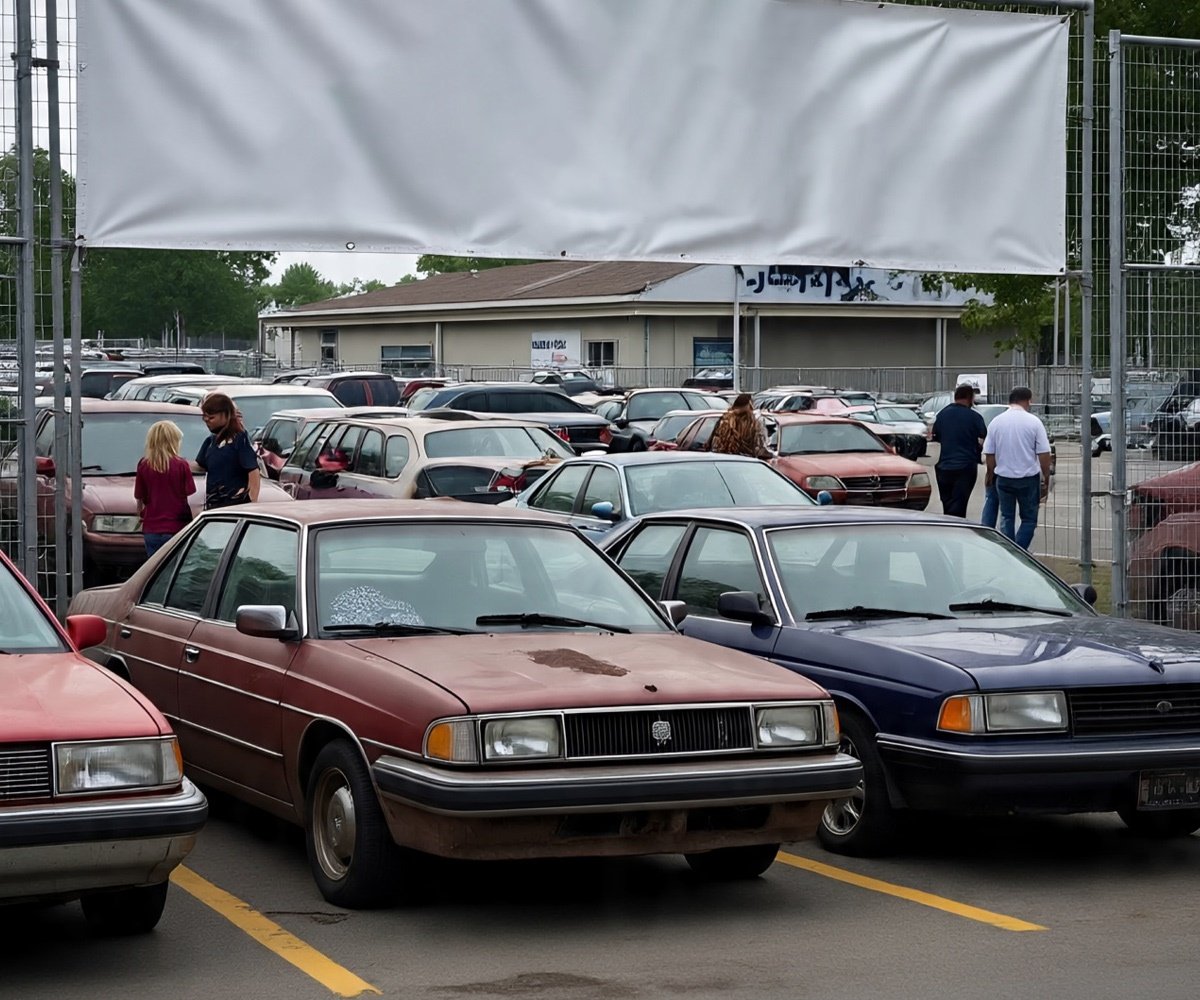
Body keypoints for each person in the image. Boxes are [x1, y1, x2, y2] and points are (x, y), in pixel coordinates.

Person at [982, 386, 1053, 550]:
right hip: (1028, 478)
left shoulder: (996, 422)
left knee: (1007, 517)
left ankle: (1008, 550)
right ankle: (1019, 551)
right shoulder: (1034, 422)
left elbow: (990, 454)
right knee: (1029, 519)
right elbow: (1044, 453)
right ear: (1028, 401)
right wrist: (1046, 477)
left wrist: (990, 474)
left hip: (1004, 477)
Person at [134, 420, 196, 557]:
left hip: (151, 528)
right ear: (174, 441)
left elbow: (139, 495)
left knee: (155, 569)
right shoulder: (181, 465)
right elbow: (190, 491)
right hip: (177, 527)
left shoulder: (144, 465)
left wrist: (141, 514)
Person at [195, 392, 261, 509]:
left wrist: (251, 501)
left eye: (211, 418)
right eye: (204, 417)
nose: (206, 421)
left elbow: (253, 471)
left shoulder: (240, 439)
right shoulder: (211, 441)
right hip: (214, 504)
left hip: (234, 506)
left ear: (226, 415)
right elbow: (200, 466)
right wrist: (175, 463)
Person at [931, 384, 987, 518]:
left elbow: (935, 437)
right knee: (960, 504)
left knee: (947, 503)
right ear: (970, 398)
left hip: (943, 467)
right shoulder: (974, 417)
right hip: (965, 466)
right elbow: (984, 437)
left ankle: (948, 527)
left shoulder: (942, 415)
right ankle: (957, 530)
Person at [709, 393, 774, 459]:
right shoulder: (754, 423)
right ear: (749, 405)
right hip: (746, 461)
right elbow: (760, 445)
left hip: (724, 459)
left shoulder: (725, 420)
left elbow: (715, 441)